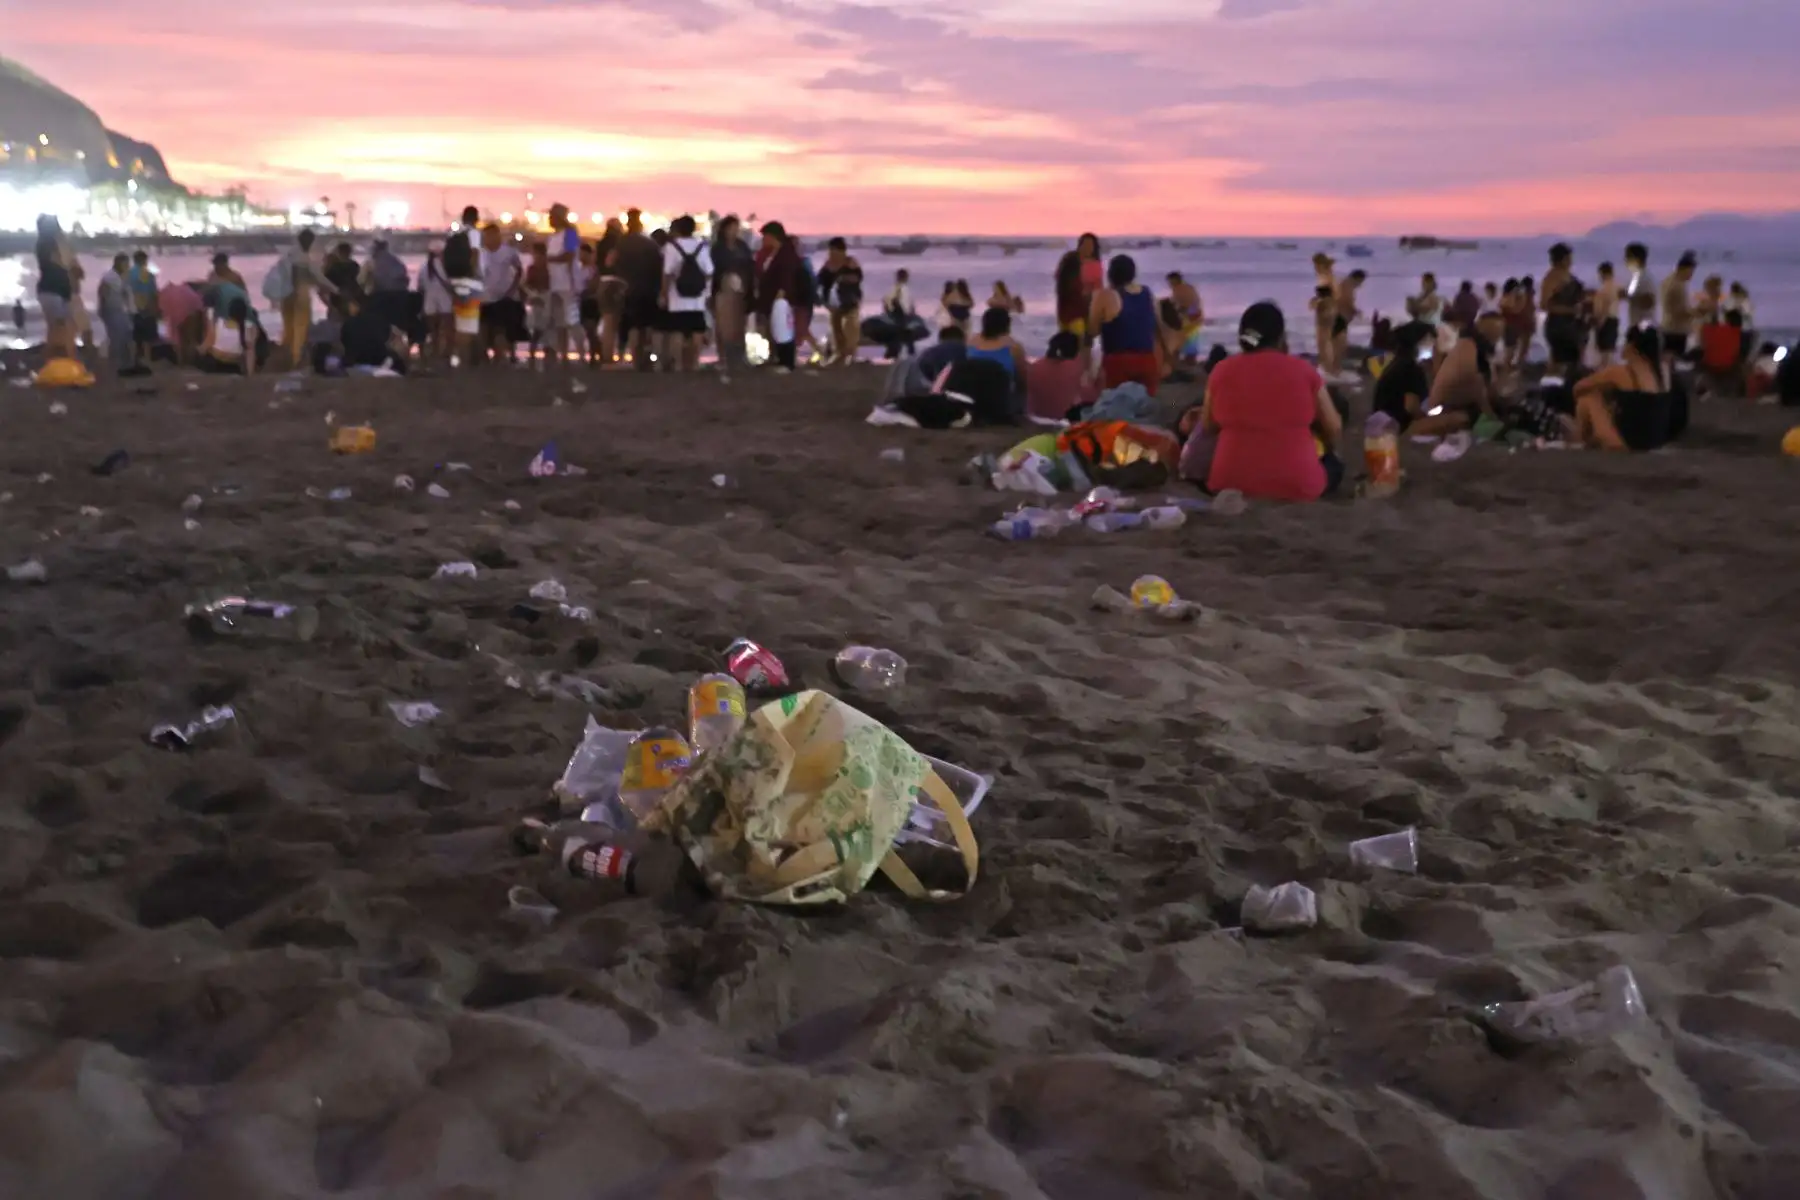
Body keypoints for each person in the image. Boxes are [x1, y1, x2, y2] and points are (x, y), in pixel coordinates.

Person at [1182, 302, 1343, 501]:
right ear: (1281, 338)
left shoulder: (1221, 370)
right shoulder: (1304, 370)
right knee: (1334, 465)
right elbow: (1334, 427)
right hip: (1298, 485)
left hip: (1230, 482)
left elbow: (1209, 426)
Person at [1573, 324, 1686, 451]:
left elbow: (1578, 388)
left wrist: (1603, 386)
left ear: (1631, 346)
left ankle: (1579, 440)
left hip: (1627, 443)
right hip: (1657, 441)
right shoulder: (1664, 373)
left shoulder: (1621, 372)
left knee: (1588, 399)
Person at [1087, 254, 1164, 394]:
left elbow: (1092, 330)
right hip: (1147, 359)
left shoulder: (1106, 295)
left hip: (1118, 362)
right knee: (1144, 404)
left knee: (1114, 404)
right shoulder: (1147, 293)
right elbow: (1156, 325)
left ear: (1110, 274)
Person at [657, 214, 713, 373]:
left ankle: (678, 364)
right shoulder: (702, 246)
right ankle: (694, 363)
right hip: (697, 298)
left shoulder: (672, 247)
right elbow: (709, 271)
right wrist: (705, 290)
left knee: (677, 330)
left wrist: (663, 293)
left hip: (677, 297)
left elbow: (667, 273)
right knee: (697, 331)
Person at [275, 229, 334, 369]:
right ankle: (296, 359)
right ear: (310, 241)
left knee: (288, 327)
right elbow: (319, 278)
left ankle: (285, 356)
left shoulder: (288, 255)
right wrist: (335, 289)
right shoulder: (305, 258)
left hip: (285, 295)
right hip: (301, 295)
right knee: (301, 327)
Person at [613, 209, 664, 369]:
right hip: (649, 288)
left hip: (628, 288)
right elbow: (659, 266)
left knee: (633, 325)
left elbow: (613, 263)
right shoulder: (650, 244)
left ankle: (635, 359)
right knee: (646, 326)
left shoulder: (621, 243)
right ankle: (646, 356)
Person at [710, 215, 754, 379]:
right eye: (731, 228)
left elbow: (750, 267)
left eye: (736, 228)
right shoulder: (718, 249)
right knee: (722, 326)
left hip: (741, 290)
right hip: (722, 290)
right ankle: (722, 358)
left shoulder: (742, 246)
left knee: (739, 325)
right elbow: (713, 271)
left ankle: (740, 357)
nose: (734, 232)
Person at [753, 220, 801, 360]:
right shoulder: (772, 253)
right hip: (770, 298)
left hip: (781, 298)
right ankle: (776, 357)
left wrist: (782, 293)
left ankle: (785, 360)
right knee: (773, 329)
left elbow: (788, 275)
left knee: (783, 328)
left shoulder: (786, 254)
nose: (763, 239)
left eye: (765, 236)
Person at [1025, 330, 1096, 423]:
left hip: (1036, 418)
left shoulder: (1034, 367)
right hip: (1064, 421)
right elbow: (1091, 396)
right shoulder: (1076, 367)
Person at [813, 237, 864, 367]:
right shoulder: (828, 265)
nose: (831, 254)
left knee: (850, 329)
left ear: (841, 251)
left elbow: (858, 277)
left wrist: (843, 278)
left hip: (850, 302)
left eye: (833, 251)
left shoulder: (850, 263)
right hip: (833, 304)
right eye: (830, 251)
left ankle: (850, 355)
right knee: (836, 329)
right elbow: (818, 281)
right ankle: (839, 353)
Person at [442, 205, 483, 363]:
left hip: (455, 280)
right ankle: (462, 359)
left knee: (460, 321)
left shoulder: (454, 234)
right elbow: (475, 253)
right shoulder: (473, 233)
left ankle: (457, 357)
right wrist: (472, 273)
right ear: (476, 218)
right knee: (468, 324)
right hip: (470, 282)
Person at [478, 223, 524, 363]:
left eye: (490, 236)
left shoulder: (508, 252)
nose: (487, 239)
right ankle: (485, 356)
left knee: (501, 328)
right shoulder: (481, 253)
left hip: (503, 297)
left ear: (497, 235)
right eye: (485, 236)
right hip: (485, 297)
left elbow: (519, 270)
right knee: (484, 327)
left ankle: (502, 356)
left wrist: (512, 289)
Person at [1539, 244, 1587, 375]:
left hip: (1573, 324)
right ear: (1562, 259)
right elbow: (1544, 305)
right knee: (1559, 363)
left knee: (1574, 362)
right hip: (1558, 324)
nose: (1571, 261)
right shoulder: (1551, 278)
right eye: (1569, 258)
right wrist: (1569, 310)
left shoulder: (1569, 276)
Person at [33, 215, 76, 360]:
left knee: (61, 327)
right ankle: (56, 360)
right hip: (53, 290)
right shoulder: (48, 243)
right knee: (59, 327)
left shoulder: (45, 243)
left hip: (55, 290)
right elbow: (61, 262)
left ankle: (61, 360)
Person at [966, 306, 1028, 387]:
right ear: (1007, 325)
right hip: (1002, 391)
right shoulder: (1014, 347)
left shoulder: (970, 343)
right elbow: (1024, 379)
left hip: (973, 390)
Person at [96, 253, 136, 375]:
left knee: (125, 336)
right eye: (126, 264)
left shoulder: (122, 276)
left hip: (120, 311)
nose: (128, 266)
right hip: (112, 310)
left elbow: (127, 295)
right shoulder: (110, 277)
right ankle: (116, 365)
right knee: (116, 338)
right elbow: (102, 293)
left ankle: (124, 363)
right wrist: (103, 310)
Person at [197, 296, 257, 375]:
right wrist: (250, 374)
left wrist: (199, 350)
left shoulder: (219, 322)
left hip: (214, 364)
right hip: (233, 366)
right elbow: (250, 352)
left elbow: (210, 341)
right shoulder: (249, 327)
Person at [1660, 251, 1696, 363]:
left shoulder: (1668, 281)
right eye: (1690, 272)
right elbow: (1680, 312)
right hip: (1676, 330)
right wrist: (1698, 312)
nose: (1691, 275)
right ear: (1683, 269)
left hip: (1667, 326)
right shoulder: (1677, 285)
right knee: (1675, 361)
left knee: (1667, 361)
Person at [128, 251, 160, 367]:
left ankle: (134, 360)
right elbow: (153, 294)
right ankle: (147, 360)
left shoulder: (128, 274)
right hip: (146, 308)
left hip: (131, 309)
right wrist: (155, 309)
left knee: (134, 337)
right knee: (147, 338)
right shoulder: (148, 274)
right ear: (144, 261)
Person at [1166, 272, 1204, 361]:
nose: (1169, 284)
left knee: (1183, 341)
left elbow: (1183, 305)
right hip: (1194, 318)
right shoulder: (1188, 288)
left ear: (1175, 280)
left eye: (1170, 282)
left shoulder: (1180, 289)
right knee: (1189, 341)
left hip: (1190, 318)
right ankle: (1188, 359)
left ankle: (1185, 359)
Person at [1592, 262, 1622, 366]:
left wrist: (1599, 323)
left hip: (1606, 321)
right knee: (1610, 351)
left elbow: (1603, 308)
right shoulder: (1617, 287)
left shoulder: (1603, 289)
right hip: (1614, 319)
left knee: (1604, 353)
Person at [1502, 276, 1535, 369]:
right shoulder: (1511, 298)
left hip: (1513, 325)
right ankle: (1510, 369)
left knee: (1513, 351)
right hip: (1512, 326)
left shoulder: (1510, 297)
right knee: (1512, 351)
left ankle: (1512, 368)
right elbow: (1516, 309)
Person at [1623, 243, 1658, 328]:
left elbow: (1649, 302)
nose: (1625, 261)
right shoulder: (1636, 278)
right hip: (1636, 325)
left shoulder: (1645, 278)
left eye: (1628, 258)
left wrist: (1629, 297)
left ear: (1636, 259)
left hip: (1644, 327)